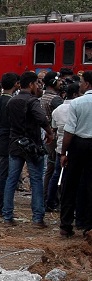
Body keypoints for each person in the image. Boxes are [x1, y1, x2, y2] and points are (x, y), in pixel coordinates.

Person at [2, 71, 53, 228]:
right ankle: (37, 218)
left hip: (15, 143)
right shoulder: (32, 101)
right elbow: (41, 119)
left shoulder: (11, 101)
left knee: (11, 180)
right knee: (36, 179)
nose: (38, 87)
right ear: (31, 84)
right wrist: (50, 132)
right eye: (37, 84)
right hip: (32, 145)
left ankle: (7, 216)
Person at [59, 71, 92, 238]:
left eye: (81, 82)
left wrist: (64, 152)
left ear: (86, 84)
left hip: (79, 144)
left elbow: (69, 130)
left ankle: (66, 225)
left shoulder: (77, 103)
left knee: (70, 184)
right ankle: (88, 225)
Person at [0, 72, 19, 216]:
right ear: (15, 85)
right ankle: (1, 207)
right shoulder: (12, 102)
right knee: (4, 175)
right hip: (7, 141)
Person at [47, 82, 79, 213]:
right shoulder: (78, 107)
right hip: (75, 148)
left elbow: (53, 129)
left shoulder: (57, 110)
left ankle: (50, 201)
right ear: (76, 94)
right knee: (73, 179)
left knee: (56, 176)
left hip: (60, 147)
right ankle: (71, 206)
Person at [40, 72, 62, 196]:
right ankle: (50, 195)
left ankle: (45, 193)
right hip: (53, 135)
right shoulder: (55, 99)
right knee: (53, 166)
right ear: (53, 82)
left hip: (47, 133)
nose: (61, 83)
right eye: (58, 81)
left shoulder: (44, 96)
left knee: (50, 165)